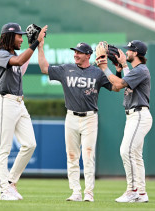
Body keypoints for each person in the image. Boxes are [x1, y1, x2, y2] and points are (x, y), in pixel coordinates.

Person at [38, 41, 118, 202]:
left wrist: (117, 68)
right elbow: (44, 68)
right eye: (75, 51)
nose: (76, 54)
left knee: (88, 156)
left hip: (89, 118)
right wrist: (40, 47)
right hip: (71, 117)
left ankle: (89, 192)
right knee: (72, 156)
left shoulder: (97, 72)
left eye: (79, 52)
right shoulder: (66, 69)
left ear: (88, 55)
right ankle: (75, 191)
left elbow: (116, 87)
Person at [0, 22, 47, 200]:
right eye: (19, 36)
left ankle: (10, 182)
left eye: (24, 36)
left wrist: (34, 44)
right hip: (4, 101)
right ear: (10, 36)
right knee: (4, 149)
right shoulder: (1, 54)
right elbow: (19, 61)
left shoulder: (14, 54)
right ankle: (4, 191)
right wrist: (35, 43)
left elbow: (21, 67)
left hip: (18, 103)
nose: (22, 39)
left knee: (30, 144)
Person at [96, 40, 153, 203]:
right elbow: (125, 81)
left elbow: (120, 84)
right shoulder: (136, 70)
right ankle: (141, 193)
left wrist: (104, 69)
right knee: (135, 155)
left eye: (129, 50)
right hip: (134, 115)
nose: (126, 52)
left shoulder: (141, 69)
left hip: (139, 114)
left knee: (125, 151)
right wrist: (121, 67)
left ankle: (132, 190)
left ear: (136, 53)